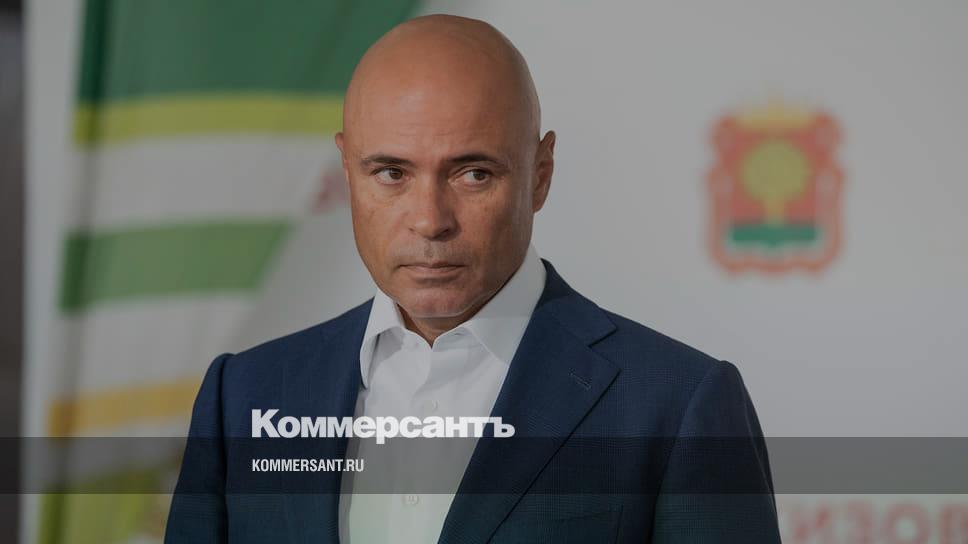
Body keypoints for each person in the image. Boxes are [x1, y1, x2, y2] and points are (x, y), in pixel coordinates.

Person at [165, 14, 780, 544]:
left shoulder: (677, 407)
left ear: (540, 174)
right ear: (348, 171)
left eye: (474, 174)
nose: (430, 219)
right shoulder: (242, 396)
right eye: (391, 173)